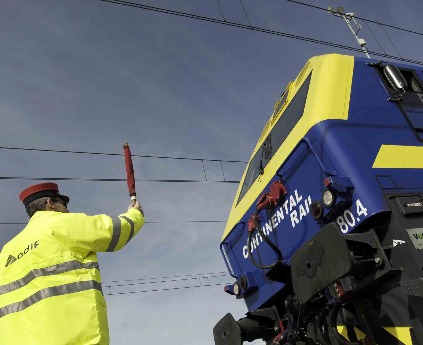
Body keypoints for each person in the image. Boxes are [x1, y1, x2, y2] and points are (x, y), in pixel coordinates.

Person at [0, 182, 144, 345]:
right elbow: (113, 232)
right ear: (50, 203)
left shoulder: (6, 251)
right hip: (72, 338)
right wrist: (135, 214)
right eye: (64, 204)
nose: (68, 210)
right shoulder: (58, 223)